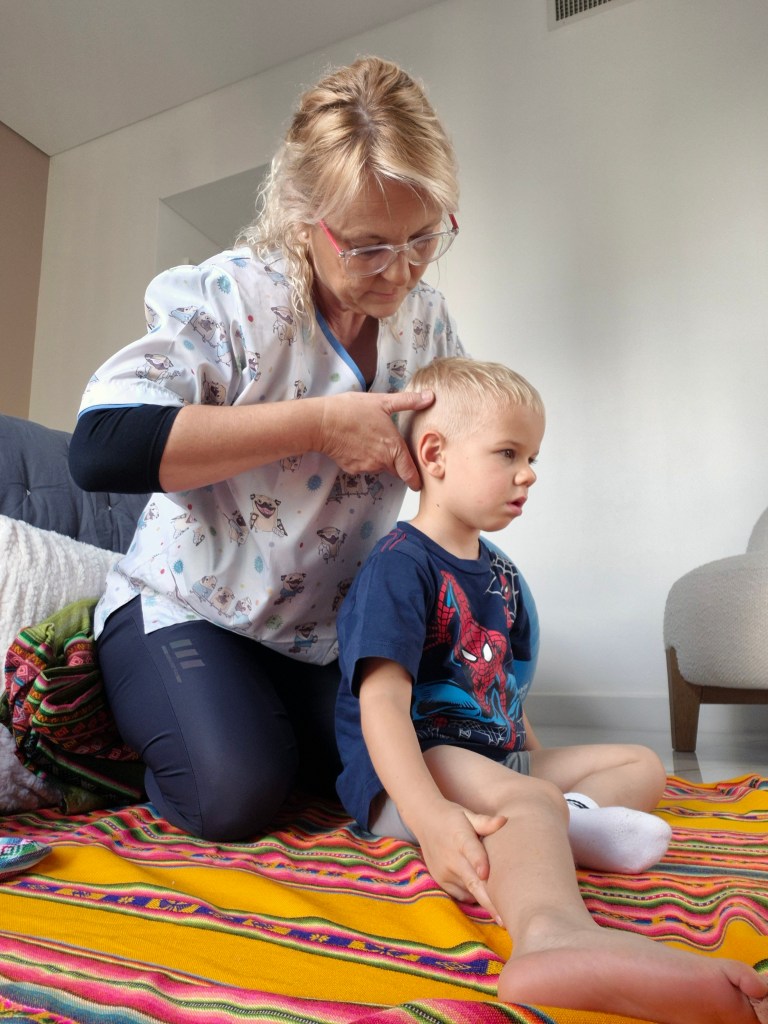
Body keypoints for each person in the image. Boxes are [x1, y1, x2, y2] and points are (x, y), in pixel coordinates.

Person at [68, 56, 466, 842]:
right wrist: (318, 424)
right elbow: (101, 446)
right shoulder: (232, 297)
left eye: (424, 237)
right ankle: (120, 740)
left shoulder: (426, 319)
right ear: (302, 217)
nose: (401, 272)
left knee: (407, 769)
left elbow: (449, 446)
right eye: (367, 247)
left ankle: (259, 725)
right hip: (185, 607)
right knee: (235, 798)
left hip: (320, 637)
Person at [334, 356, 768, 1024]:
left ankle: (558, 824)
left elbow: (505, 689)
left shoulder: (500, 574)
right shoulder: (401, 566)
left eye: (533, 457)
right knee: (528, 798)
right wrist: (430, 816)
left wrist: (533, 760)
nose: (529, 473)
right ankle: (551, 937)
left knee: (639, 764)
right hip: (417, 763)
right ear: (436, 454)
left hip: (491, 757)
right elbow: (382, 705)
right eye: (508, 453)